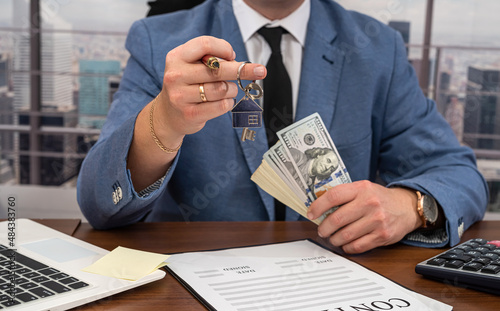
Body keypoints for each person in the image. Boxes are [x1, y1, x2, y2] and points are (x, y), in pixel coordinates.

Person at [77, 0, 488, 254]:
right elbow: (99, 203)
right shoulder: (159, 41)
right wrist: (163, 120)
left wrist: (411, 206)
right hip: (191, 284)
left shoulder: (378, 48)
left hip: (340, 279)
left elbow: (458, 175)